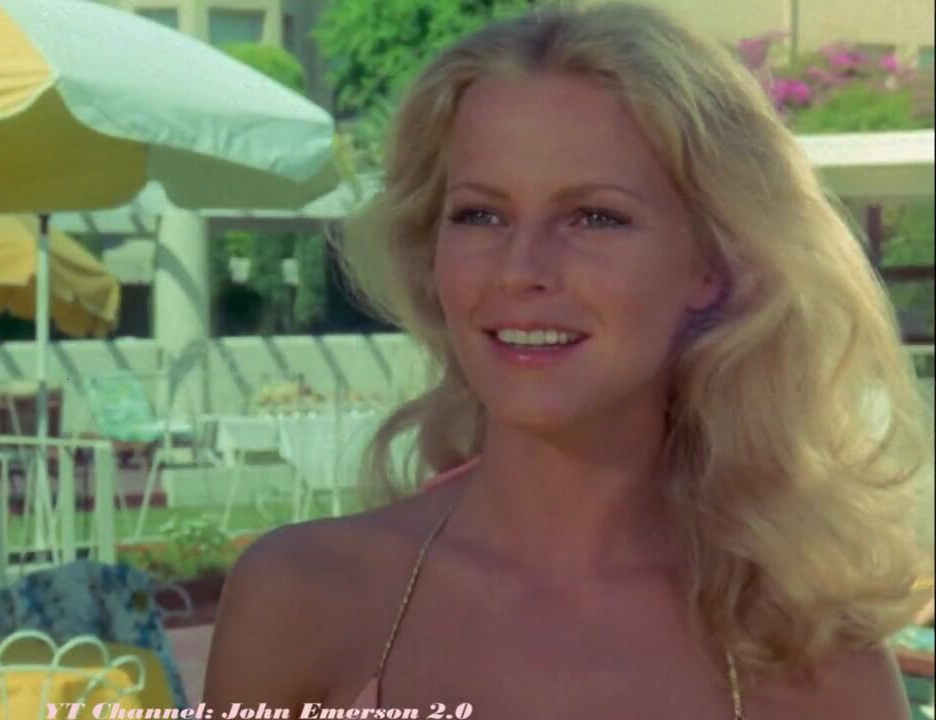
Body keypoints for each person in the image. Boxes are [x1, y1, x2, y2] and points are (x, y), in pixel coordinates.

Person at [204, 3, 933, 717]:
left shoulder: (810, 652)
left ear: (711, 263)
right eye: (480, 214)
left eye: (595, 217)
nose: (520, 269)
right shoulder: (303, 597)